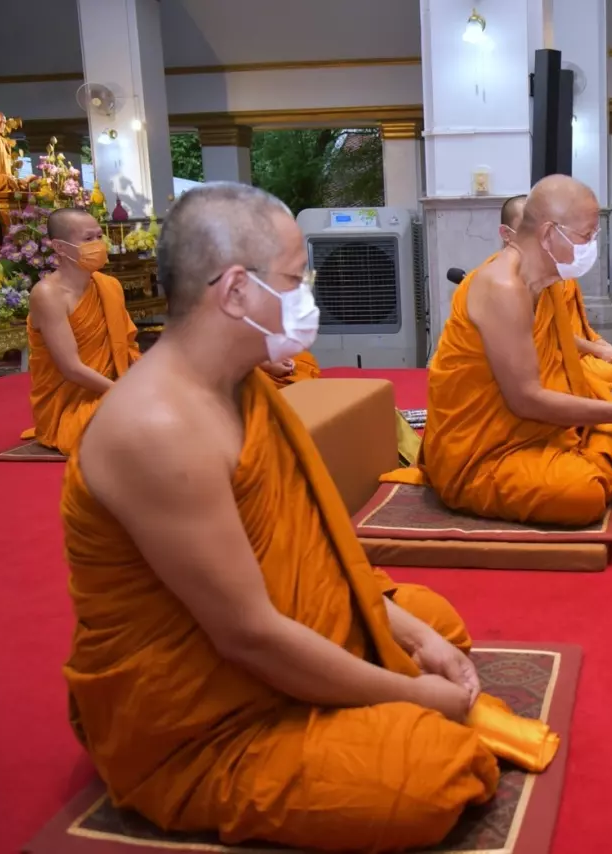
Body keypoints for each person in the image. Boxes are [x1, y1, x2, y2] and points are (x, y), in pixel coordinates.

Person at [60, 183, 559, 852]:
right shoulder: (158, 429)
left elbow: (313, 552)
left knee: (436, 623)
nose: (308, 298)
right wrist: (411, 695)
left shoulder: (242, 384)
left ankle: (363, 679)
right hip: (206, 715)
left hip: (268, 631)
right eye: (296, 280)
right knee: (437, 773)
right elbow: (250, 637)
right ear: (236, 291)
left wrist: (412, 635)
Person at [398, 175, 612, 526]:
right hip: (480, 452)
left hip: (531, 428)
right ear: (548, 234)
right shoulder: (502, 287)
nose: (591, 246)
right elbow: (526, 400)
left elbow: (559, 369)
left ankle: (579, 455)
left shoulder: (547, 285)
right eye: (586, 236)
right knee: (583, 494)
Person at [20, 209, 140, 455]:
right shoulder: (48, 295)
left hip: (114, 388)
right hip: (70, 404)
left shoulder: (109, 285)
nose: (98, 244)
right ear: (60, 247)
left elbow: (126, 348)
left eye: (99, 237)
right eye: (88, 239)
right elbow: (71, 368)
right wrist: (124, 394)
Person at [500, 194, 612, 392]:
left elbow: (578, 325)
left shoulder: (555, 272)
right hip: (539, 359)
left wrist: (601, 344)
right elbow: (548, 336)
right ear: (506, 233)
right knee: (605, 376)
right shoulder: (504, 279)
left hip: (571, 349)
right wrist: (597, 350)